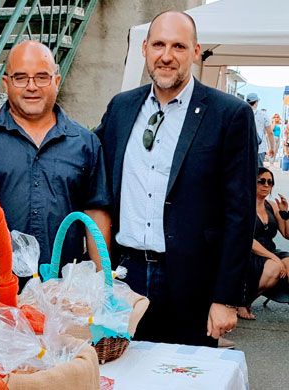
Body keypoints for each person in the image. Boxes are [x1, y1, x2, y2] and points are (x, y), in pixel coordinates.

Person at [95, 11, 258, 347]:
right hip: (126, 278)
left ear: (196, 52)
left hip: (192, 283)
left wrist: (226, 298)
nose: (166, 56)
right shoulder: (122, 108)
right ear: (144, 48)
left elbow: (239, 215)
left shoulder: (229, 115)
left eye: (178, 46)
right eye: (158, 44)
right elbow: (85, 153)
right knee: (124, 374)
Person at [0, 40, 112, 283]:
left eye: (42, 77)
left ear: (56, 82)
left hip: (64, 287)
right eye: (21, 78)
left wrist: (103, 281)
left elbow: (95, 212)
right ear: (6, 83)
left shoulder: (85, 142)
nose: (32, 87)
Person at [238, 168, 289, 319]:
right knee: (274, 267)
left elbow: (287, 234)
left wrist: (284, 214)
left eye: (270, 182)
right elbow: (247, 239)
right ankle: (243, 302)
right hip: (249, 253)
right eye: (261, 181)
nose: (266, 185)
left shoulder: (272, 206)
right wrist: (274, 259)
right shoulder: (244, 206)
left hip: (270, 251)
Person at [246, 93, 274, 167]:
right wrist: (272, 148)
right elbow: (270, 133)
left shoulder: (241, 113)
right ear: (256, 102)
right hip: (260, 148)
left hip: (245, 147)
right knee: (259, 173)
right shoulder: (263, 115)